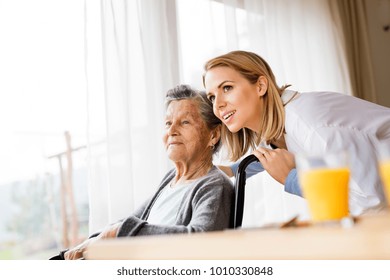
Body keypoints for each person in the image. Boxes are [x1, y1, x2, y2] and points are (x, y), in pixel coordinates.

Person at [203, 50, 390, 216]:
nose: (217, 104)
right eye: (211, 97)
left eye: (227, 88)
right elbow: (269, 156)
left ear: (260, 86)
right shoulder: (279, 129)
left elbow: (373, 207)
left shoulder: (312, 125)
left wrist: (291, 178)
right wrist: (229, 171)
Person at [59, 85, 234, 260]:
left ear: (214, 135)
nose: (171, 131)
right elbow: (130, 223)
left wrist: (117, 232)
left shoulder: (214, 186)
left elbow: (203, 242)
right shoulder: (171, 180)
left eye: (185, 122)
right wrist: (92, 242)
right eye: (168, 123)